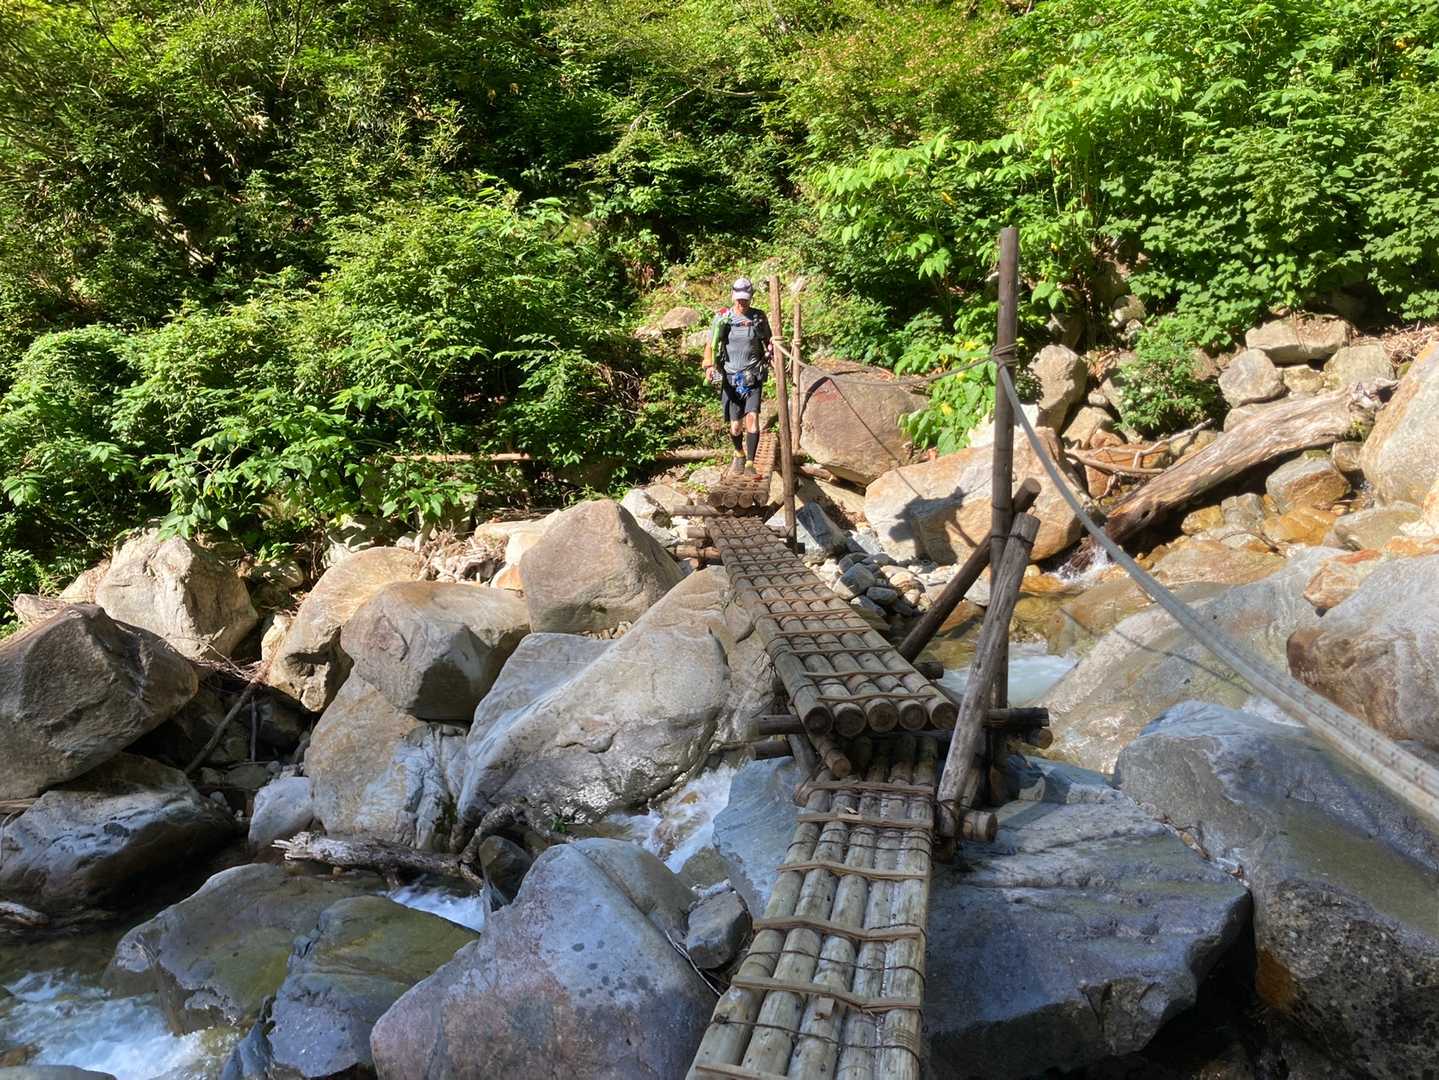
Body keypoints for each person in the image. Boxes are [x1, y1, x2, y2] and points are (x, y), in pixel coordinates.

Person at [703, 276, 773, 474]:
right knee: (735, 426)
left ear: (751, 297)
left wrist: (773, 354)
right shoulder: (723, 318)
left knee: (752, 417)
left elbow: (769, 341)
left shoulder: (758, 317)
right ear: (733, 296)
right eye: (739, 298)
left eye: (745, 298)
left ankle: (750, 463)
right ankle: (739, 453)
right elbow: (710, 345)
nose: (742, 302)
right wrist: (709, 366)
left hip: (753, 376)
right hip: (731, 378)